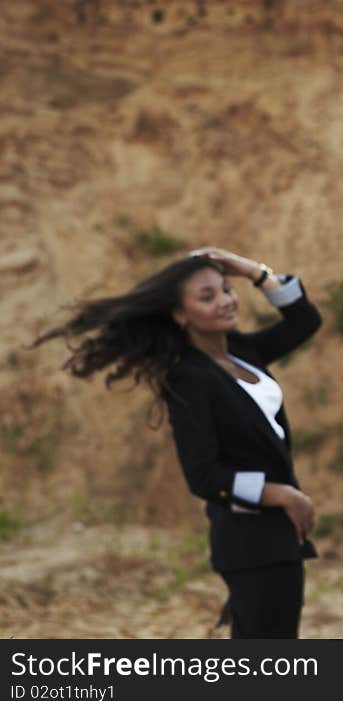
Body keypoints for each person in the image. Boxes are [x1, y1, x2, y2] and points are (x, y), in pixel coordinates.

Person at [34, 247, 322, 638]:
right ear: (180, 314)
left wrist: (252, 272)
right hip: (250, 541)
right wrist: (282, 495)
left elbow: (305, 320)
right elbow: (204, 475)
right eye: (207, 297)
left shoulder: (241, 351)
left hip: (277, 537)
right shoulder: (189, 378)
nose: (225, 301)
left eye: (225, 290)